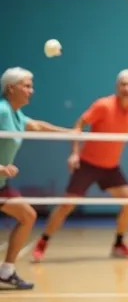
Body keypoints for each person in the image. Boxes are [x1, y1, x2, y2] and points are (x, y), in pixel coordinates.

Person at [32, 70, 128, 262]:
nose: (126, 88)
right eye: (123, 84)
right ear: (117, 86)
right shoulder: (103, 105)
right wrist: (74, 154)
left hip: (111, 167)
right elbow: (79, 125)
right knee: (66, 205)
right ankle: (43, 242)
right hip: (88, 164)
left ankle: (118, 244)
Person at [0, 67, 70, 289]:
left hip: (1, 185)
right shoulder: (1, 111)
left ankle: (6, 271)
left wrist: (72, 134)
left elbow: (38, 126)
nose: (31, 90)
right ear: (11, 88)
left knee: (27, 216)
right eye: (27, 86)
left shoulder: (15, 114)